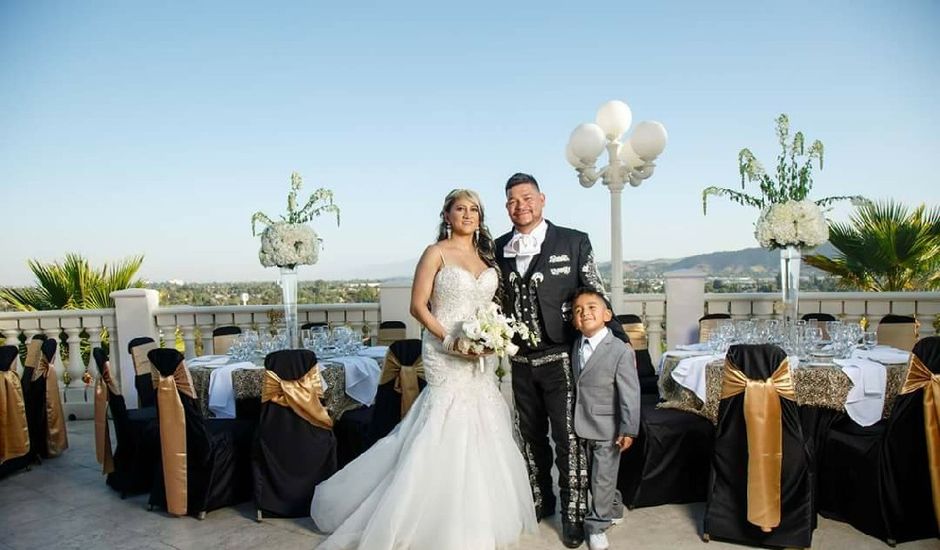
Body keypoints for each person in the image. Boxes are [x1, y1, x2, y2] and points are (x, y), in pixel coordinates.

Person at [310, 189, 537, 550]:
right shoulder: (435, 253)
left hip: (480, 356)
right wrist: (450, 340)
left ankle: (478, 518)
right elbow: (418, 307)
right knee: (442, 426)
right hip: (444, 351)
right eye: (460, 208)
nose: (468, 214)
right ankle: (428, 519)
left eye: (474, 209)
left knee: (484, 426)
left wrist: (491, 338)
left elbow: (490, 308)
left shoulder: (486, 256)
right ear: (446, 215)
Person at [495, 172, 628, 548]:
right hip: (519, 361)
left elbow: (596, 295)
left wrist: (615, 343)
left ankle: (573, 513)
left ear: (542, 199)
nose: (520, 206)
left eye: (527, 198)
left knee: (569, 439)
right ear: (507, 207)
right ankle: (541, 498)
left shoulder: (573, 241)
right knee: (529, 437)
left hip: (561, 359)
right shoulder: (498, 247)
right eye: (512, 201)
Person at [570, 288, 640, 550]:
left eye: (591, 307)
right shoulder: (577, 345)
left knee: (602, 478)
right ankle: (613, 506)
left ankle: (597, 525)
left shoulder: (619, 350)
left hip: (608, 427)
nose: (584, 313)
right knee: (595, 478)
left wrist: (628, 428)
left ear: (607, 314)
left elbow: (630, 393)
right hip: (582, 423)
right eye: (578, 311)